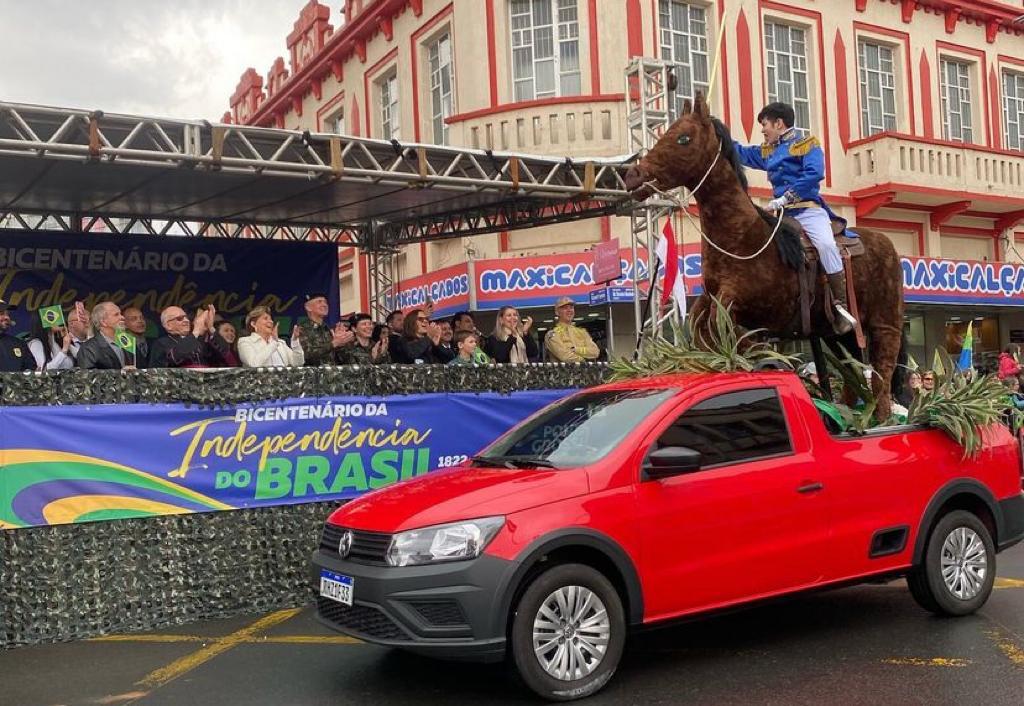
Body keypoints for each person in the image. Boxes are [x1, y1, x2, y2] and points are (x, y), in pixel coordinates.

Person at [733, 102, 856, 335]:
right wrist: (714, 133)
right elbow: (741, 153)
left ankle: (841, 307)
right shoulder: (768, 150)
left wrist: (787, 197)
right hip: (782, 215)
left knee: (826, 245)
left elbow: (814, 174)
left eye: (765, 125)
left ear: (779, 123)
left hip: (808, 210)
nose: (763, 131)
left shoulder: (807, 145)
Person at [149, 305, 230, 368]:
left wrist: (211, 328)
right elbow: (175, 357)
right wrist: (196, 331)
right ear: (168, 325)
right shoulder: (161, 343)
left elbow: (225, 353)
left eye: (186, 317)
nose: (186, 320)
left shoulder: (199, 341)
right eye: (180, 318)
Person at [297, 293, 353, 366]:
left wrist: (342, 343)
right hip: (314, 376)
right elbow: (305, 356)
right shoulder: (302, 329)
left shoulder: (328, 329)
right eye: (319, 302)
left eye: (325, 302)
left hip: (332, 374)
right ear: (308, 307)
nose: (324, 305)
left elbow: (344, 360)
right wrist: (333, 343)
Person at [238, 306, 304, 367]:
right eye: (265, 318)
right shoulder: (245, 341)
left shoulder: (280, 343)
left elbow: (298, 363)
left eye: (271, 319)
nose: (271, 321)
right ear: (253, 324)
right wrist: (274, 342)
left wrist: (295, 341)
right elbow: (254, 364)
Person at [77, 302, 132, 370]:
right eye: (116, 315)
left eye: (120, 314)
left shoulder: (129, 342)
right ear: (103, 322)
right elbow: (88, 377)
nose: (122, 317)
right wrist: (121, 374)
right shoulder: (88, 348)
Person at [544, 298, 599, 363]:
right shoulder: (552, 334)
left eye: (571, 308)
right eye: (565, 308)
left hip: (585, 372)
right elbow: (565, 357)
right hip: (563, 372)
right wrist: (585, 360)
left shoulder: (582, 332)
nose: (569, 310)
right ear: (557, 312)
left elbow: (595, 352)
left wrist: (575, 350)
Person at [0, 299, 35, 372]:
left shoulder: (19, 343)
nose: (7, 317)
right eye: (1, 313)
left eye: (8, 314)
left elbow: (31, 371)